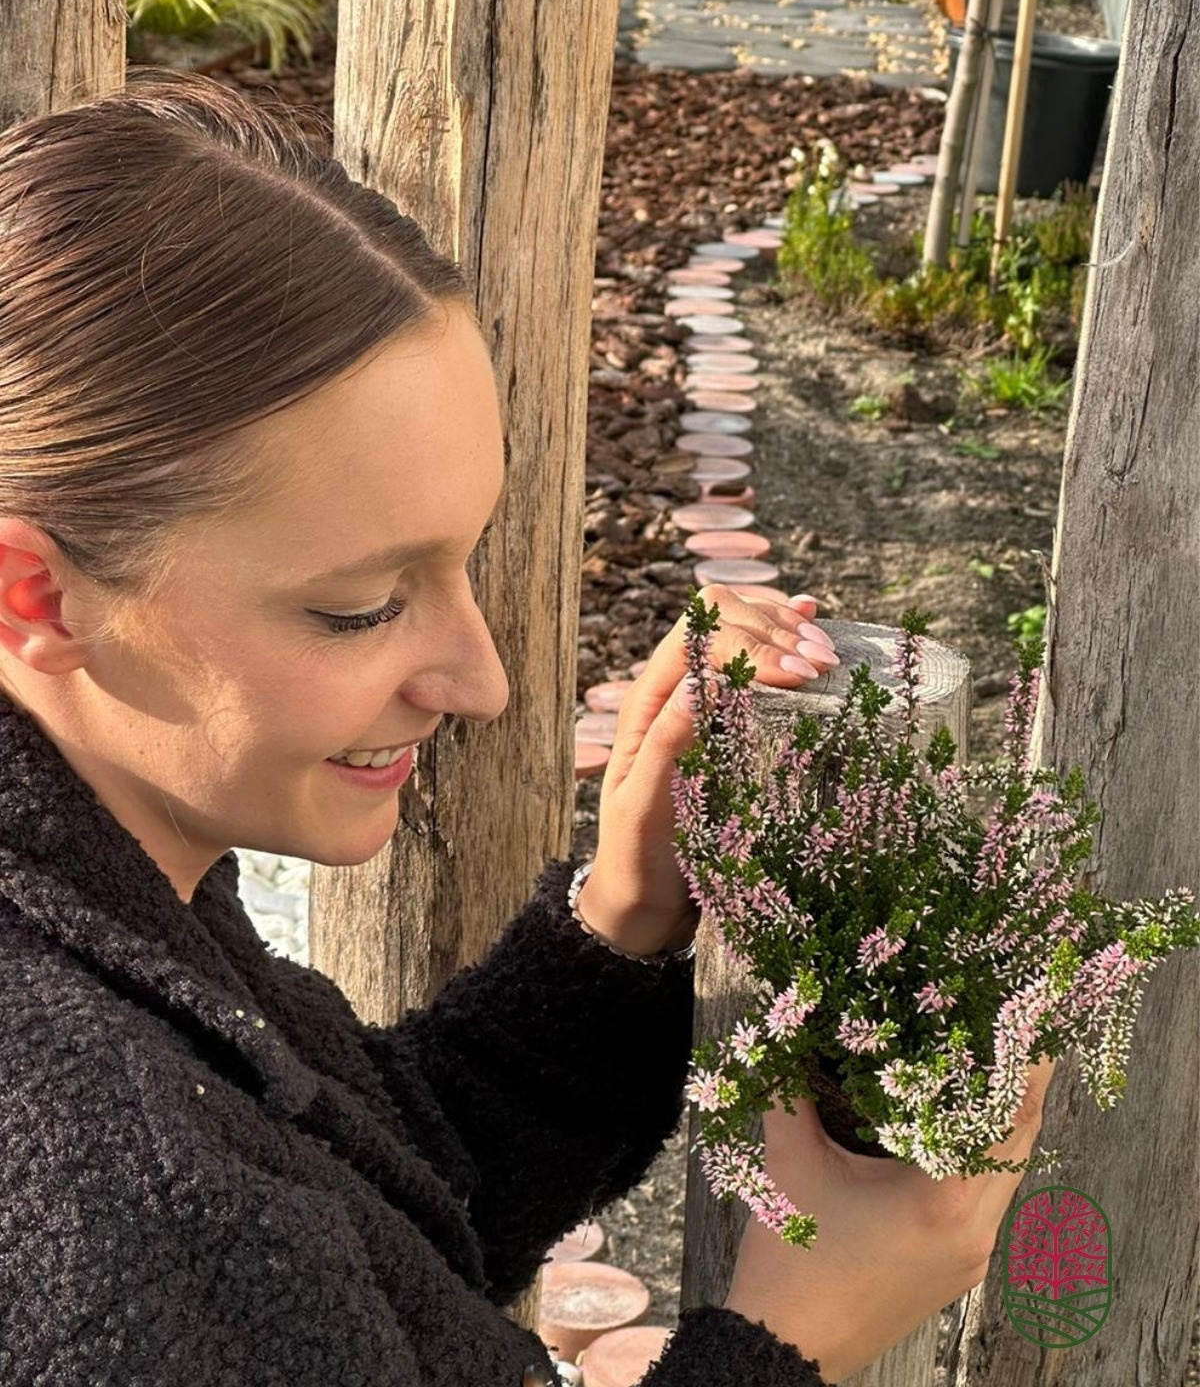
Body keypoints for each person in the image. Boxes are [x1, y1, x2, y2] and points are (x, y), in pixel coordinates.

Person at [0, 74, 1053, 1386]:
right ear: (39, 597)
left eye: (464, 560)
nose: (484, 681)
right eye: (361, 606)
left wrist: (621, 920)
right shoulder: (121, 1229)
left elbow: (378, 1215)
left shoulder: (98, 879)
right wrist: (798, 1338)